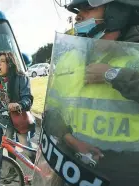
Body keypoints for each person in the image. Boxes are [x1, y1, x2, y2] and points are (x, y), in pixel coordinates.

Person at [43, 0, 139, 185]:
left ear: (117, 14)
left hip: (127, 174)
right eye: (79, 11)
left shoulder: (135, 56)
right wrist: (69, 139)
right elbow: (53, 111)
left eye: (89, 9)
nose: (79, 16)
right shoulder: (70, 59)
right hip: (75, 167)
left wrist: (113, 75)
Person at [0, 51, 36, 163]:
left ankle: (38, 168)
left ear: (10, 64)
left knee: (25, 147)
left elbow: (28, 98)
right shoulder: (0, 80)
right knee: (9, 146)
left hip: (19, 118)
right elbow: (2, 100)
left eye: (2, 61)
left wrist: (19, 105)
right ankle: (14, 171)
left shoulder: (21, 78)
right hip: (5, 119)